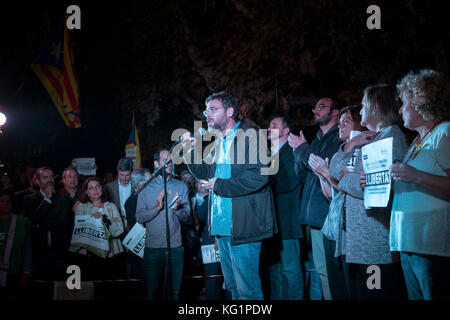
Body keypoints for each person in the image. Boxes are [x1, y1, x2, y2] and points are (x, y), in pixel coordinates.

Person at [182, 91, 276, 300]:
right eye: (206, 110)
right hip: (222, 229)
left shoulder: (251, 137)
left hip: (244, 227)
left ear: (230, 111)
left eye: (213, 109)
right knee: (233, 288)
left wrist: (222, 186)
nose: (207, 114)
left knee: (248, 291)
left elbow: (260, 177)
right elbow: (204, 173)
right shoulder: (217, 143)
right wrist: (190, 151)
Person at [333, 84, 408, 299]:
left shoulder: (391, 139)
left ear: (375, 107)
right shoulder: (370, 138)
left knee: (375, 295)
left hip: (376, 244)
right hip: (363, 244)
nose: (361, 110)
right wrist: (350, 146)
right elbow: (335, 169)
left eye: (364, 104)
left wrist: (346, 178)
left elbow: (372, 187)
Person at [389, 69, 450, 300]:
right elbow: (411, 184)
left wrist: (416, 176)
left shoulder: (445, 132)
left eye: (404, 103)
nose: (400, 110)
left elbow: (419, 178)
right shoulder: (416, 141)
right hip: (409, 242)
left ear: (420, 102)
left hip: (432, 246)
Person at [308, 105, 366, 299]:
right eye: (339, 121)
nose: (340, 125)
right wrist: (321, 175)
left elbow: (351, 187)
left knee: (357, 286)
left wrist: (326, 172)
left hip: (353, 230)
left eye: (346, 121)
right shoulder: (341, 152)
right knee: (335, 284)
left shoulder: (364, 153)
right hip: (332, 227)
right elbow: (331, 194)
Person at [288, 97, 341, 300]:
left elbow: (320, 166)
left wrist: (302, 149)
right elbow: (304, 175)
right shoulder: (318, 138)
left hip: (327, 215)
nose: (316, 110)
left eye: (322, 106)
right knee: (321, 271)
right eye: (315, 107)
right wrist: (297, 152)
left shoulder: (338, 138)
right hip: (313, 217)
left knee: (329, 271)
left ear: (335, 112)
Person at [136, 148, 190, 300]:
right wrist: (157, 208)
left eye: (172, 161)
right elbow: (139, 217)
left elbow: (187, 218)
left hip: (175, 248)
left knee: (175, 293)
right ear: (156, 163)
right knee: (152, 294)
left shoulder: (181, 187)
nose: (170, 164)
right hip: (153, 249)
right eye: (166, 161)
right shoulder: (145, 188)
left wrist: (178, 210)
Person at [263, 114, 304, 300]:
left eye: (274, 125)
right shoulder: (270, 154)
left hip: (287, 220)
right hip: (273, 222)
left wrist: (262, 182)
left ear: (286, 130)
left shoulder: (291, 151)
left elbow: (290, 182)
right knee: (275, 270)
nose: (269, 128)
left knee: (290, 270)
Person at [23, 166, 72, 282]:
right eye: (45, 177)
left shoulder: (62, 199)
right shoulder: (29, 200)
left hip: (60, 255)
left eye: (51, 177)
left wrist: (43, 223)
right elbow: (33, 221)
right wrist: (47, 200)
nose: (50, 180)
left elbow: (64, 223)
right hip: (38, 256)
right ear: (37, 181)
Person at [73, 177, 127, 282]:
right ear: (87, 192)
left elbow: (119, 229)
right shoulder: (81, 208)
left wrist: (103, 220)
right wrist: (111, 221)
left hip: (113, 253)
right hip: (91, 255)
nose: (95, 190)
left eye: (98, 187)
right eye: (91, 188)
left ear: (102, 189)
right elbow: (82, 232)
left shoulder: (111, 206)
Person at [0, 190, 32, 299]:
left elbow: (27, 249)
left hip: (14, 273)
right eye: (2, 201)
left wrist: (26, 271)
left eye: (8, 201)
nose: (5, 204)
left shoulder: (21, 222)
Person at [106, 158, 134, 229]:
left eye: (127, 175)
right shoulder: (109, 187)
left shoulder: (136, 186)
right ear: (117, 171)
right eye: (121, 175)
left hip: (133, 224)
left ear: (132, 173)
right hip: (116, 225)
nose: (124, 178)